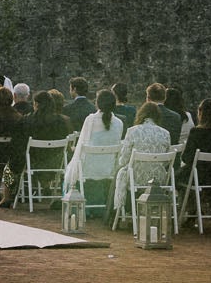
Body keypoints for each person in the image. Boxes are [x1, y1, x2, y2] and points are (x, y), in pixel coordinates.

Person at [109, 96, 172, 227]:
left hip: (136, 176)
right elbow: (166, 161)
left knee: (119, 174)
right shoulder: (165, 133)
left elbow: (124, 160)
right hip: (158, 178)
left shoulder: (132, 131)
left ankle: (115, 216)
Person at [64, 89, 125, 217]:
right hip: (108, 168)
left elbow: (82, 144)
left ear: (97, 103)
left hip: (89, 167)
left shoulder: (91, 120)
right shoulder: (119, 123)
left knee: (70, 168)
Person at [176, 96, 211, 215]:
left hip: (200, 176)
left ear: (200, 113)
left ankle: (188, 210)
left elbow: (186, 158)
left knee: (177, 178)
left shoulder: (196, 132)